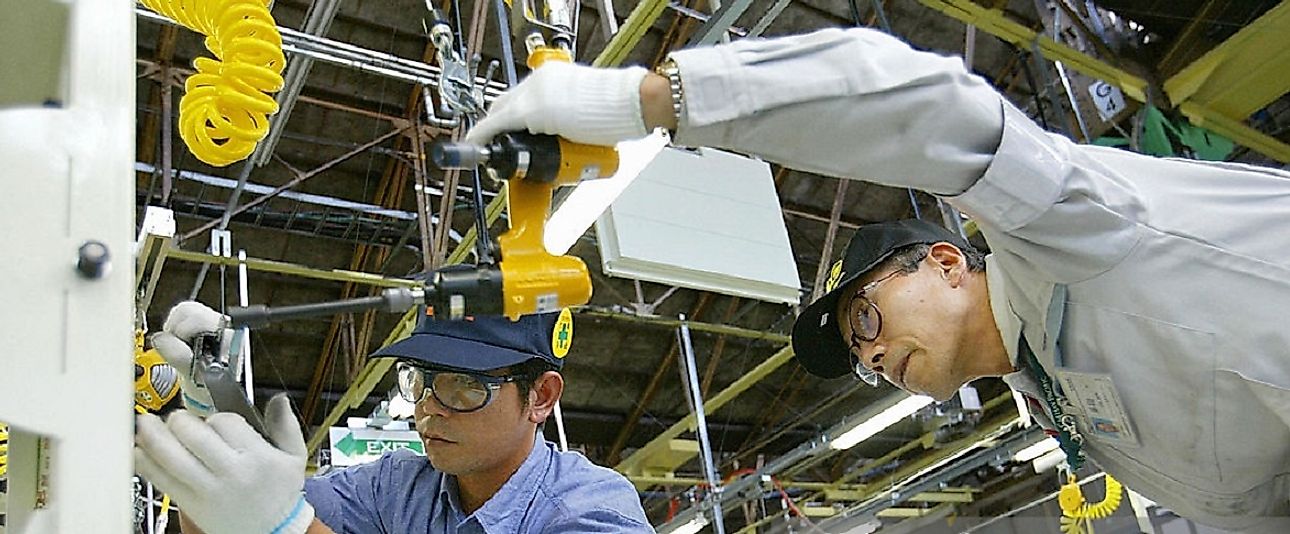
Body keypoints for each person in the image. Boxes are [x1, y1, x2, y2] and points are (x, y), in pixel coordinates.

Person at [465, 26, 1290, 531]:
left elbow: (932, 110)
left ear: (943, 262)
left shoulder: (1057, 237)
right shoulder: (1055, 398)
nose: (871, 361)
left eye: (864, 321)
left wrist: (647, 100)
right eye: (859, 358)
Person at [134, 302, 653, 533]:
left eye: (464, 386)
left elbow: (279, 520)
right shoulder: (398, 487)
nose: (428, 406)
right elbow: (240, 516)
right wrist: (218, 408)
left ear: (541, 397)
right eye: (420, 380)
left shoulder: (592, 509)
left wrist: (287, 527)